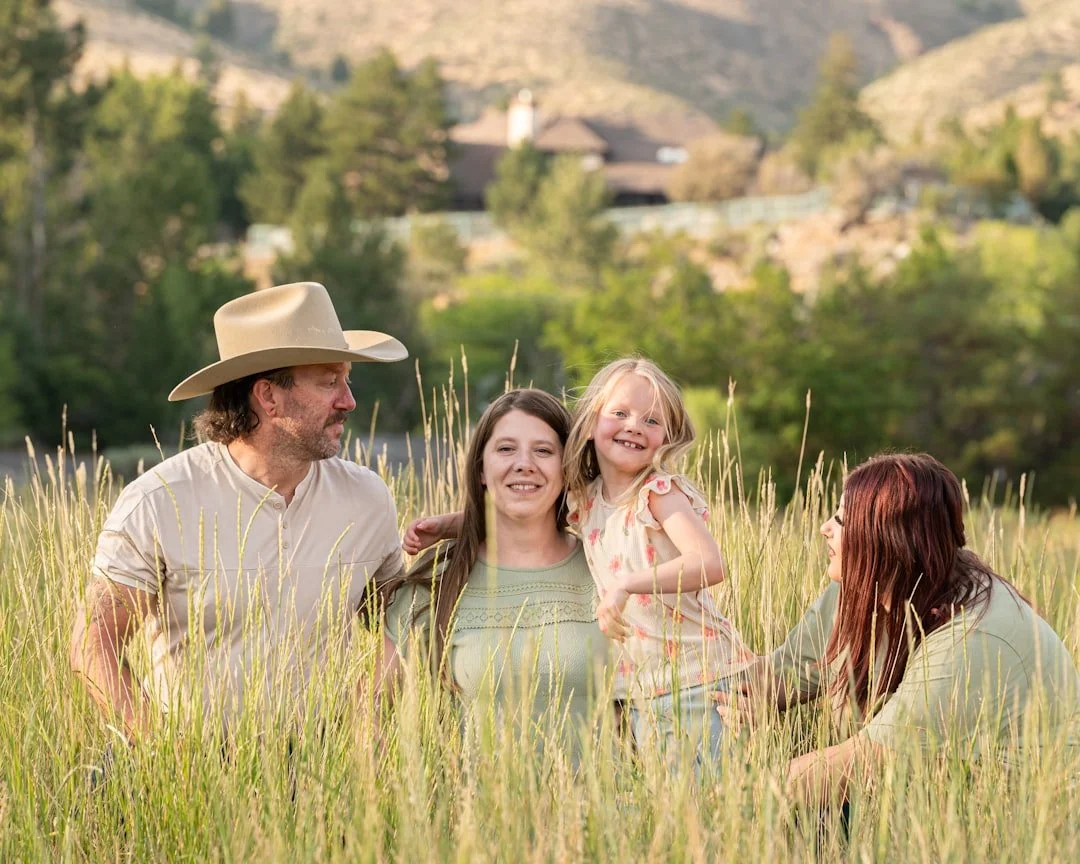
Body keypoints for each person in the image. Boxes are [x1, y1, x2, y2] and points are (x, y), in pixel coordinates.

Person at [69, 281, 409, 739]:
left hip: (321, 772)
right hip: (189, 769)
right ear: (268, 396)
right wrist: (161, 752)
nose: (348, 400)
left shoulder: (367, 500)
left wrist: (371, 701)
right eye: (330, 381)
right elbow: (94, 642)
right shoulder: (159, 502)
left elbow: (402, 617)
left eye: (347, 380)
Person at [407, 358, 753, 762]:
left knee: (703, 806)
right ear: (589, 424)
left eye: (652, 421)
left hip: (695, 682)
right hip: (644, 692)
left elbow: (710, 564)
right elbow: (524, 507)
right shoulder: (588, 501)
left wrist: (627, 585)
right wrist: (450, 526)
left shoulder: (659, 493)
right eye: (620, 413)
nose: (634, 426)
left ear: (667, 439)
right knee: (669, 809)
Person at [717, 453, 1080, 804]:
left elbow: (864, 765)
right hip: (925, 797)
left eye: (842, 522)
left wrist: (730, 800)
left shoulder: (972, 636)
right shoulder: (868, 588)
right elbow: (791, 670)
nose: (824, 528)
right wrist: (721, 696)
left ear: (886, 540)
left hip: (1014, 814)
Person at [376, 389, 608, 747]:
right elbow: (370, 721)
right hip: (476, 802)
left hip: (606, 800)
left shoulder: (609, 567)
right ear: (482, 470)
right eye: (505, 449)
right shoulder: (437, 583)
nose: (524, 463)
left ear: (566, 469)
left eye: (543, 451)